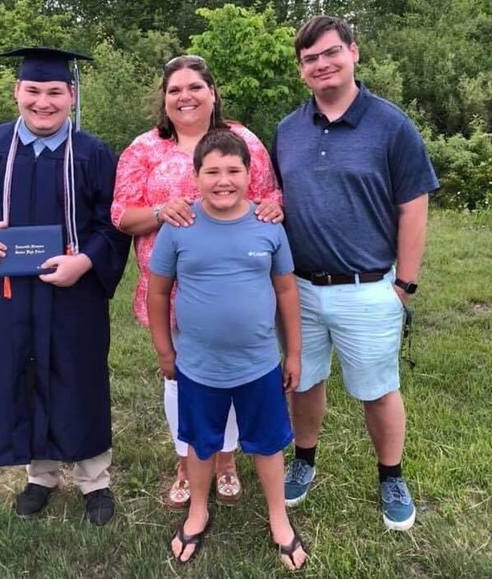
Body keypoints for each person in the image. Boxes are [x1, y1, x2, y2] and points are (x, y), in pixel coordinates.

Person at [0, 47, 130, 526]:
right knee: (23, 372)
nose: (42, 102)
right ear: (16, 92)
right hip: (12, 294)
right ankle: (40, 475)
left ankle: (94, 480)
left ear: (71, 95)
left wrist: (85, 261)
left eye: (54, 92)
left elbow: (113, 222)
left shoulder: (92, 153)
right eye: (33, 91)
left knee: (80, 375)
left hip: (76, 292)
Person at [272, 16, 439, 531]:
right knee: (303, 381)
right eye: (310, 59)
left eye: (331, 53)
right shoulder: (287, 130)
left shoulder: (391, 125)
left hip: (368, 287)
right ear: (301, 70)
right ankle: (304, 460)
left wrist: (404, 285)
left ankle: (391, 476)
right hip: (300, 287)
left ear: (353, 53)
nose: (322, 64)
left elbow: (413, 206)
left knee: (378, 389)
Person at [112, 55, 283, 509]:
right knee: (180, 379)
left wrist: (273, 207)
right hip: (170, 293)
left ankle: (225, 460)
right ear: (164, 99)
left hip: (235, 291)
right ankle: (187, 462)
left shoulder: (243, 140)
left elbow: (269, 194)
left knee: (234, 374)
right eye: (175, 90)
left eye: (195, 87)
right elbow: (121, 214)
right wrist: (159, 212)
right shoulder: (144, 149)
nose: (185, 96)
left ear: (212, 93)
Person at [147, 129, 306, 570]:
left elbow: (287, 291)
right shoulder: (179, 227)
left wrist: (293, 354)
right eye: (212, 171)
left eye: (233, 171)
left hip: (258, 364)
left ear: (250, 175)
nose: (223, 181)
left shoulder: (268, 225)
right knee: (201, 444)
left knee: (268, 444)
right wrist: (164, 351)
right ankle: (198, 511)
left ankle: (279, 518)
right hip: (198, 365)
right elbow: (158, 292)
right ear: (196, 176)